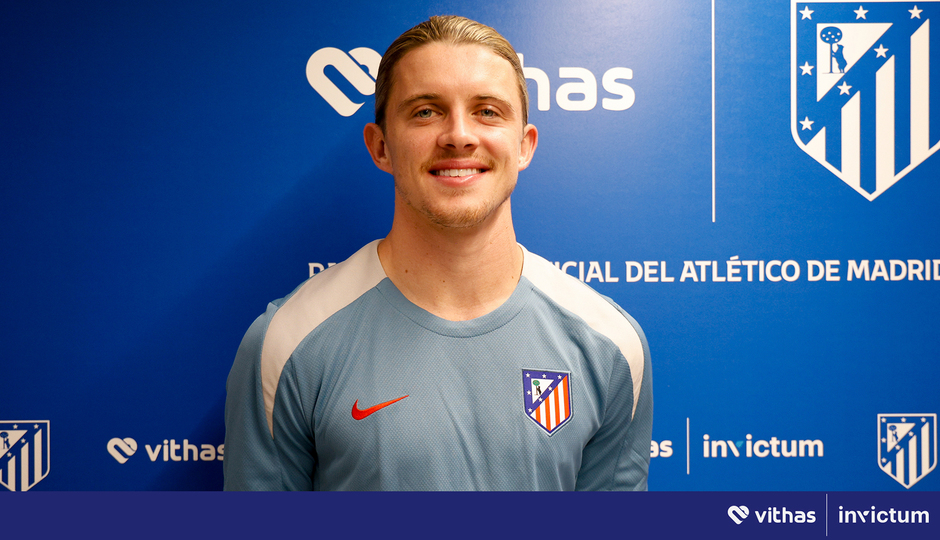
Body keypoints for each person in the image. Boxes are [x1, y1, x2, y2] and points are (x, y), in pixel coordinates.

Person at [223, 15, 652, 491]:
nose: (459, 135)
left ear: (524, 145)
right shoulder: (286, 341)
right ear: (381, 146)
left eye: (488, 111)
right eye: (426, 111)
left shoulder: (608, 344)